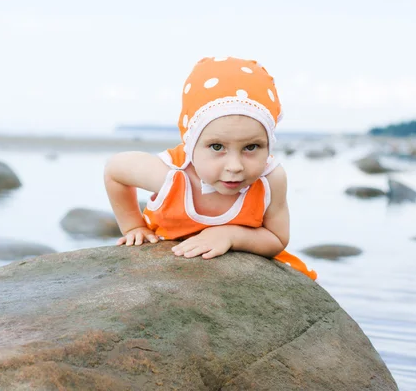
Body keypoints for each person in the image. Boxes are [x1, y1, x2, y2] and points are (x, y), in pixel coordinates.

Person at [104, 57, 317, 280]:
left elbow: (277, 239)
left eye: (251, 147)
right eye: (217, 147)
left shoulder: (270, 179)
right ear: (191, 143)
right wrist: (132, 227)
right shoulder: (171, 175)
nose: (235, 167)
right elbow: (114, 171)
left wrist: (231, 236)